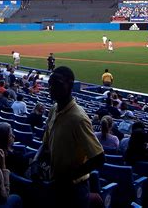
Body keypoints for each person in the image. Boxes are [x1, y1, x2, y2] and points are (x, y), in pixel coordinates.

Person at [41, 66, 104, 208]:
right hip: (54, 182)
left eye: (57, 84)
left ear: (69, 84)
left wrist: (68, 178)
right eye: (50, 84)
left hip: (75, 189)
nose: (51, 88)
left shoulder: (79, 118)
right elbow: (45, 143)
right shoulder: (53, 109)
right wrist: (36, 162)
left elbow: (99, 158)